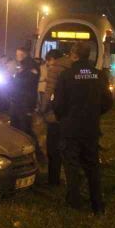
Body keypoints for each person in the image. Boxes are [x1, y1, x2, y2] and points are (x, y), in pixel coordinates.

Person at [53, 42, 113, 214]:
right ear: (89, 56)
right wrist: (94, 114)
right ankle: (97, 204)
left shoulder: (66, 75)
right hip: (90, 129)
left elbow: (58, 104)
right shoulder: (99, 75)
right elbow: (108, 101)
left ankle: (74, 202)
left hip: (70, 129)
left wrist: (63, 118)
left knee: (71, 166)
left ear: (74, 55)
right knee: (92, 166)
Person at [38, 49, 74, 185]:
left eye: (48, 61)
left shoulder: (55, 69)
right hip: (71, 115)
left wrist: (42, 109)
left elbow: (49, 92)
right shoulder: (72, 67)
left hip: (56, 114)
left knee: (53, 148)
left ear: (52, 59)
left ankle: (53, 179)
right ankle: (71, 179)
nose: (48, 64)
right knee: (68, 148)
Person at [10, 47, 41, 152]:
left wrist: (13, 79)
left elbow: (27, 83)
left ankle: (36, 153)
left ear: (24, 54)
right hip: (19, 101)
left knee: (25, 129)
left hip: (25, 103)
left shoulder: (31, 66)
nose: (17, 56)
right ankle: (19, 150)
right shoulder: (23, 65)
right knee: (16, 128)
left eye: (18, 54)